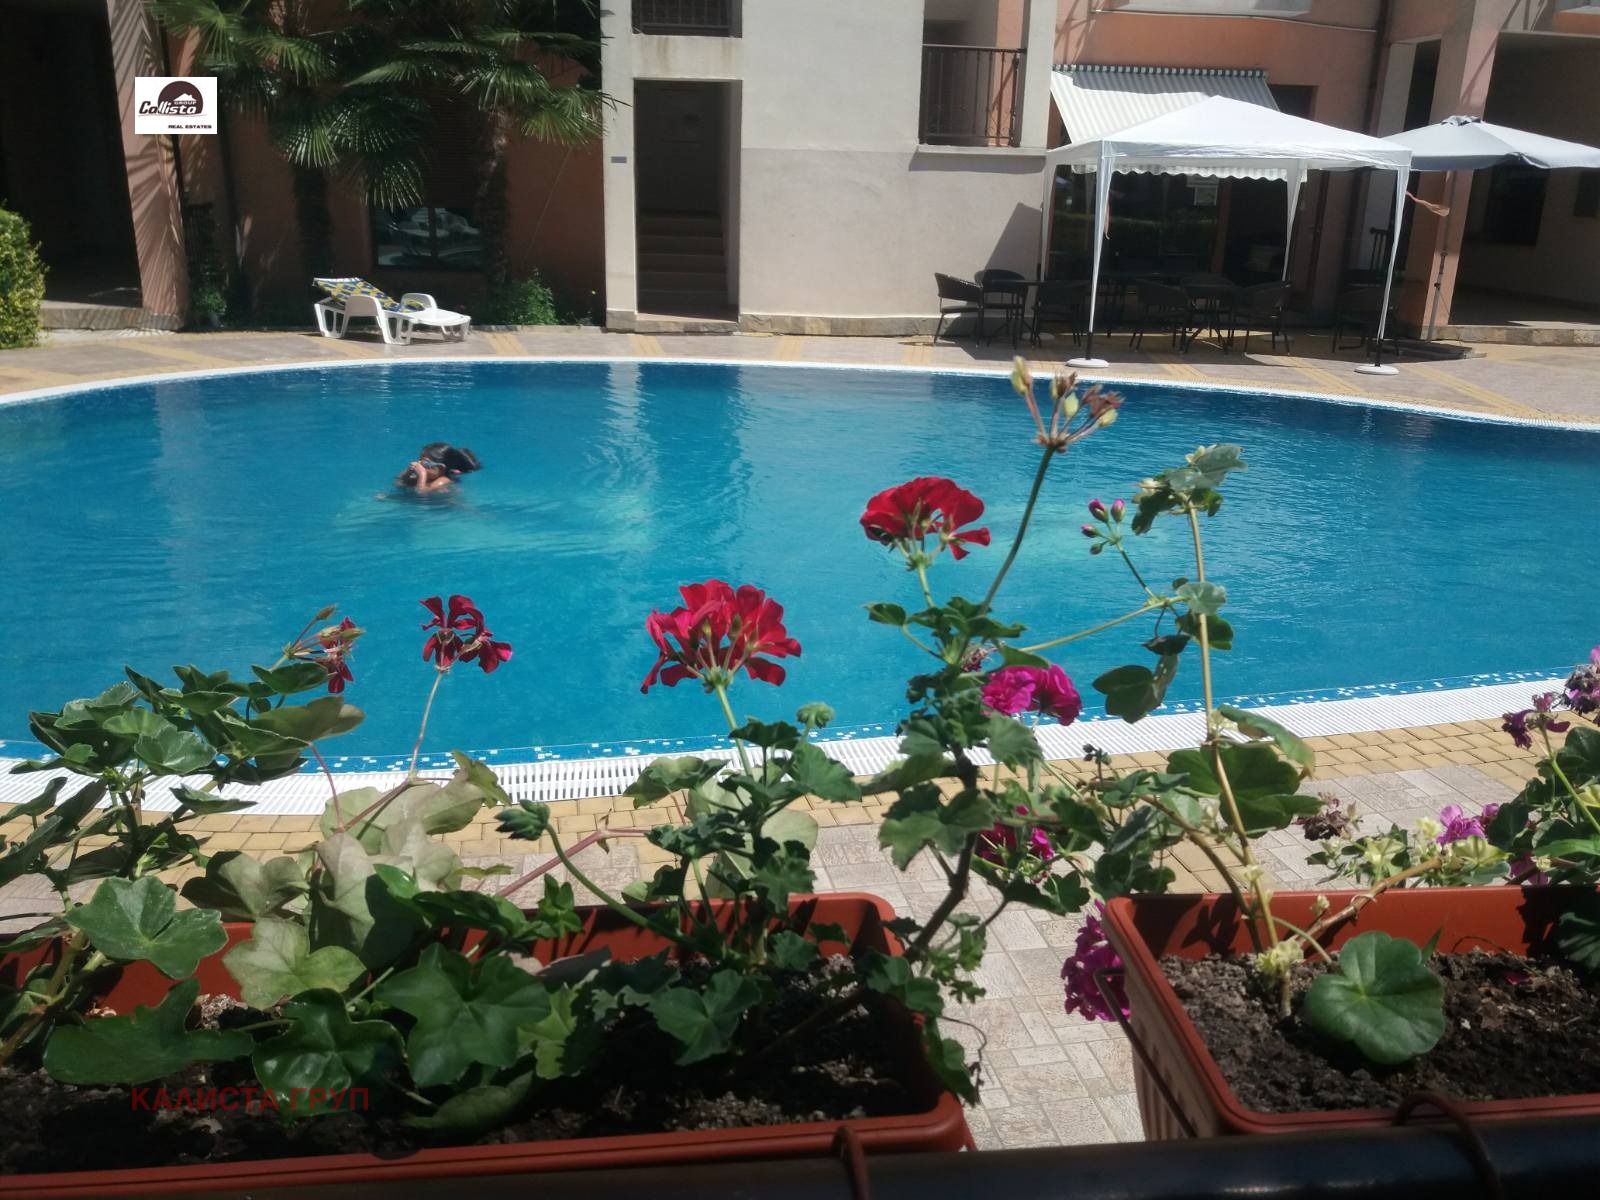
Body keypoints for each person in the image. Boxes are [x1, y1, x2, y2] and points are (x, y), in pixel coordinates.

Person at [394, 443, 481, 494]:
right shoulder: (421, 474)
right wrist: (408, 472)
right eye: (420, 460)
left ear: (441, 468)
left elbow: (420, 492)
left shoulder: (443, 480)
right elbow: (398, 482)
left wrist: (422, 474)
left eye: (426, 463)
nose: (419, 465)